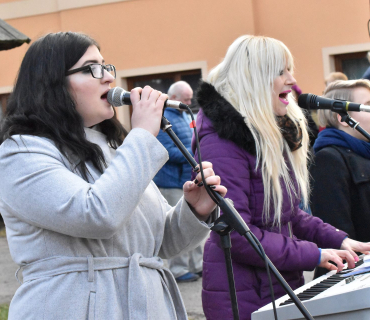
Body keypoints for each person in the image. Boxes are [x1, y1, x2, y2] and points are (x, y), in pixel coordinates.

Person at [0, 32, 227, 320]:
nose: (108, 78)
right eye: (91, 68)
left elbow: (162, 242)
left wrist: (194, 210)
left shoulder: (115, 148)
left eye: (106, 66)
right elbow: (96, 215)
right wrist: (143, 134)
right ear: (51, 81)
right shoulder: (21, 152)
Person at [191, 35, 370, 320]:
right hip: (243, 296)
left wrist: (339, 240)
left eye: (290, 70)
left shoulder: (268, 134)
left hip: (276, 286)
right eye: (280, 71)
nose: (291, 80)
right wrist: (315, 254)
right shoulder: (221, 141)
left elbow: (289, 215)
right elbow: (239, 234)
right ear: (254, 78)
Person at [310, 79, 370, 278]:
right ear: (343, 118)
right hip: (353, 278)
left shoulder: (364, 153)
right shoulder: (327, 159)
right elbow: (337, 232)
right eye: (367, 106)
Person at [154, 81, 204, 283]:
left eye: (190, 98)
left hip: (186, 178)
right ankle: (179, 269)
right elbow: (166, 152)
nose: (190, 102)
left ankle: (196, 265)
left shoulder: (184, 116)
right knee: (180, 225)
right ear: (173, 98)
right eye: (186, 99)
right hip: (171, 181)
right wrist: (193, 154)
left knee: (195, 222)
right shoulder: (161, 119)